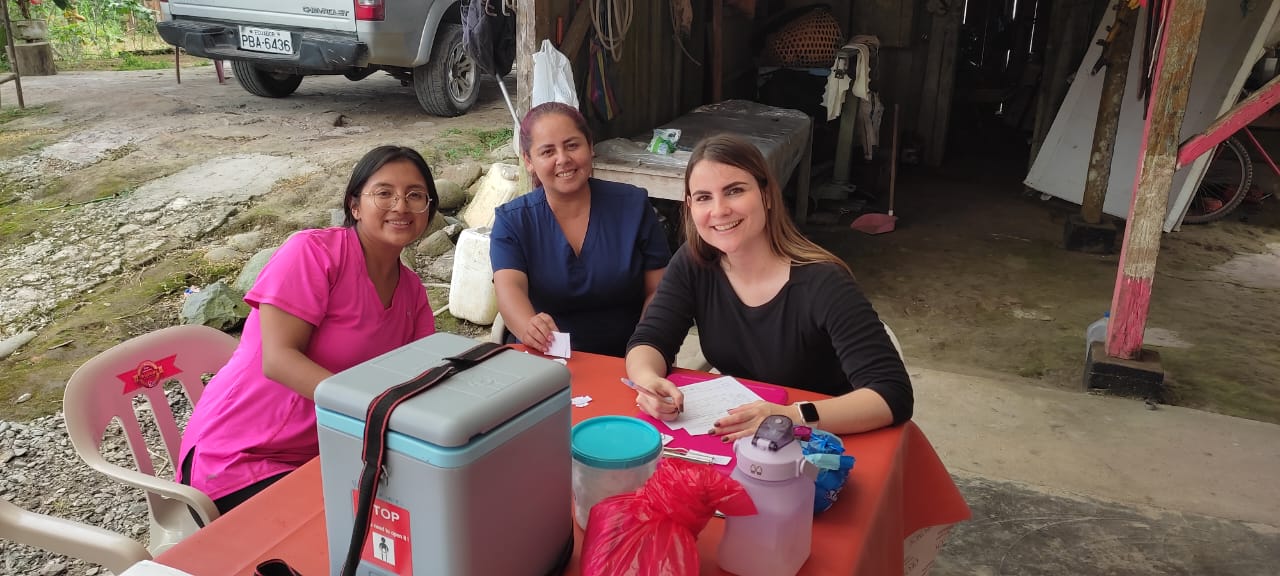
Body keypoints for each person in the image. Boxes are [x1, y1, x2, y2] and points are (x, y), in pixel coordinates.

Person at [179, 145, 440, 513]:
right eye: (384, 193)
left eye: (415, 195)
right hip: (242, 456)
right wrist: (371, 413)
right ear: (354, 205)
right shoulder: (313, 254)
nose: (400, 206)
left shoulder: (411, 291)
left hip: (333, 453)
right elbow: (279, 360)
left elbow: (422, 376)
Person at [626, 134, 912, 441]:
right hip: (743, 437)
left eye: (734, 191)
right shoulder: (693, 262)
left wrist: (792, 416)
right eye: (704, 197)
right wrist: (647, 381)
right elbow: (649, 339)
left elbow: (891, 393)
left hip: (826, 441)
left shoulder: (824, 281)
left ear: (767, 195)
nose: (719, 210)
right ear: (690, 207)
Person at [491, 102, 671, 357]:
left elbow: (659, 290)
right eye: (547, 151)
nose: (563, 159)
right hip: (545, 358)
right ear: (529, 161)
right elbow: (509, 291)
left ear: (590, 146)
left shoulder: (633, 205)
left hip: (629, 356)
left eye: (572, 145)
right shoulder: (513, 221)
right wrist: (530, 327)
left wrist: (646, 345)